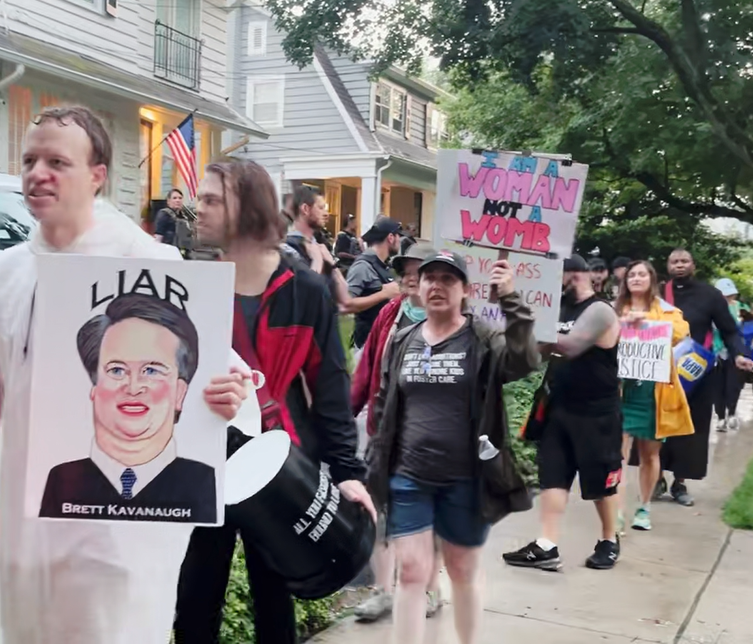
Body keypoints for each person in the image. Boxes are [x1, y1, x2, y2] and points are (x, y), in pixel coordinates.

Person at [0, 107, 253, 644]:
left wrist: (224, 395)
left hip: (122, 530)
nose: (38, 174)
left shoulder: (152, 266)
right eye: (30, 160)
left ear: (97, 176)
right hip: (28, 514)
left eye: (58, 162)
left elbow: (221, 380)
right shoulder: (5, 277)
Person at [176, 159, 376, 644]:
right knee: (195, 599)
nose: (195, 211)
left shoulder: (306, 291)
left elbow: (330, 389)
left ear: (246, 208)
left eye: (210, 200)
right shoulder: (189, 289)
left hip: (283, 467)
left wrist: (347, 472)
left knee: (274, 601)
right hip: (207, 463)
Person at [368, 249, 537, 644]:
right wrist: (375, 459)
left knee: (461, 569)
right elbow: (383, 400)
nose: (437, 286)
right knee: (411, 571)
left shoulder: (481, 339)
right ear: (418, 286)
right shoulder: (403, 340)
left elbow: (524, 360)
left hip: (466, 478)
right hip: (408, 475)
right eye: (430, 278)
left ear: (465, 290)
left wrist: (511, 298)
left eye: (448, 279)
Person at [39, 293, 216, 523]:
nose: (133, 387)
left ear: (180, 392)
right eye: (116, 370)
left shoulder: (205, 483)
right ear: (93, 387)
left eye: (152, 370)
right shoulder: (57, 481)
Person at [503, 255, 623, 572]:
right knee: (553, 474)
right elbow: (539, 351)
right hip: (558, 406)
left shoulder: (599, 310)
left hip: (597, 411)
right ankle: (546, 544)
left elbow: (570, 346)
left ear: (576, 275)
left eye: (558, 276)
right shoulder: (558, 308)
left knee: (600, 481)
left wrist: (535, 331)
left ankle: (609, 539)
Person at [350, 244, 445, 623]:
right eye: (404, 270)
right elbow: (365, 370)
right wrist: (346, 414)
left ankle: (430, 588)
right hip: (382, 433)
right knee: (379, 511)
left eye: (417, 271)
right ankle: (383, 591)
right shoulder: (389, 314)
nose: (408, 277)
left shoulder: (451, 322)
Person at [656, 249, 753, 507]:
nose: (679, 265)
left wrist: (739, 355)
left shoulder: (710, 295)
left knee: (692, 428)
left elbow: (730, 331)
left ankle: (680, 482)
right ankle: (655, 477)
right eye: (674, 261)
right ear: (668, 266)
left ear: (693, 265)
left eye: (684, 261)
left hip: (696, 373)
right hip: (660, 371)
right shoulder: (656, 294)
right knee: (655, 427)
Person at [616, 260, 694, 532]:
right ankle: (616, 511)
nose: (636, 278)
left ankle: (644, 508)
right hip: (621, 392)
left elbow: (681, 331)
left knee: (649, 455)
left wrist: (645, 322)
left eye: (641, 274)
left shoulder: (667, 311)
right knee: (618, 456)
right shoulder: (615, 309)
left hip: (654, 395)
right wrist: (620, 324)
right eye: (631, 275)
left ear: (652, 279)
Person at [343, 217, 403, 360]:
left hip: (380, 343)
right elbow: (345, 304)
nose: (400, 241)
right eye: (399, 236)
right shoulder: (363, 266)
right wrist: (383, 294)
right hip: (366, 346)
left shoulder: (383, 265)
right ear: (390, 237)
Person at [713, 278, 750, 430]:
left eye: (730, 295)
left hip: (736, 353)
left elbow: (750, 329)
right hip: (716, 352)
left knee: (734, 385)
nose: (728, 298)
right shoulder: (711, 309)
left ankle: (732, 413)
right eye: (724, 295)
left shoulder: (741, 308)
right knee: (717, 387)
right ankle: (721, 418)